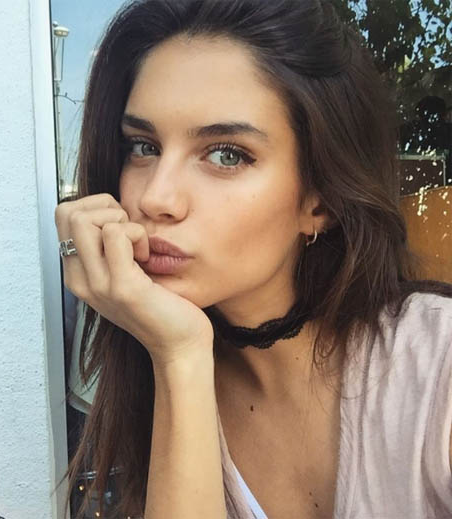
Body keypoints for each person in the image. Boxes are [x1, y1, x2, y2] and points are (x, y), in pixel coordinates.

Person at [53, 0, 452, 518]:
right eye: (143, 147)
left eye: (227, 154)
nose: (156, 198)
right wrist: (179, 357)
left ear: (319, 201)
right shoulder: (148, 369)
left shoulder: (436, 369)